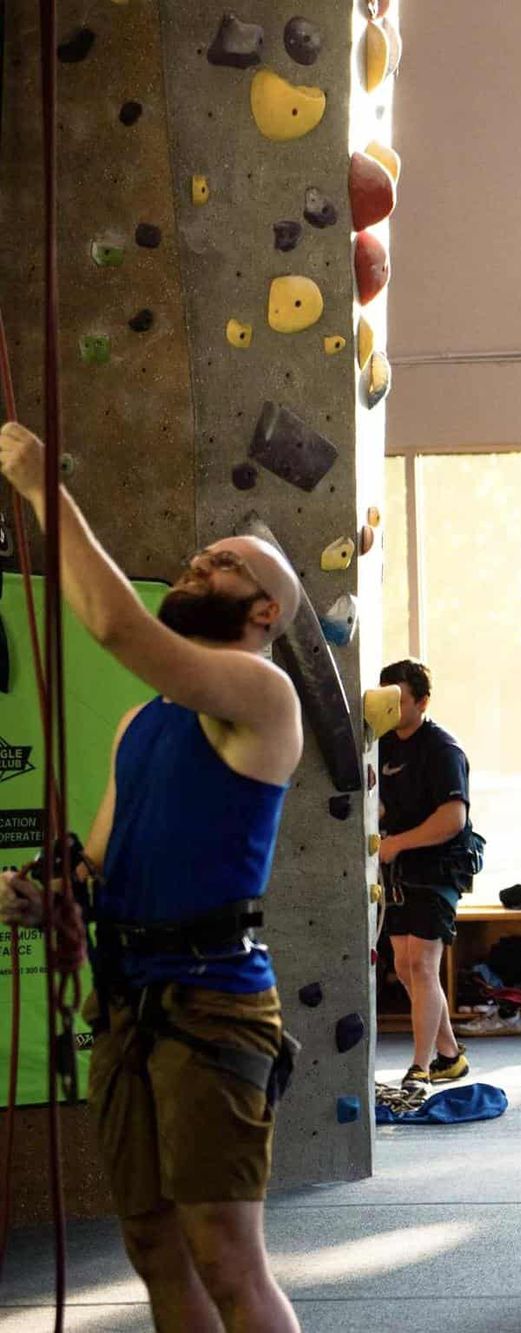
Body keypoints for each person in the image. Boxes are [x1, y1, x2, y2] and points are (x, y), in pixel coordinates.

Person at [0, 420, 303, 1332]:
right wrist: (48, 896)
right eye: (200, 553)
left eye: (221, 564)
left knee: (225, 1252)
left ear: (264, 612)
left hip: (213, 1000)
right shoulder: (144, 722)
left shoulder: (263, 693)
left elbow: (113, 623)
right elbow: (99, 862)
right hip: (130, 1000)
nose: (195, 564)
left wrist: (44, 490)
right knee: (152, 1244)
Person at [378, 658, 477, 1092]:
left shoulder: (442, 750)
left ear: (422, 701)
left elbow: (453, 818)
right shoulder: (381, 744)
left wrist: (396, 843)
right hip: (397, 868)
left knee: (422, 963)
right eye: (386, 701)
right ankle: (451, 1056)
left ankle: (420, 1066)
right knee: (403, 964)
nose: (393, 708)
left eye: (400, 701)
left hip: (439, 866)